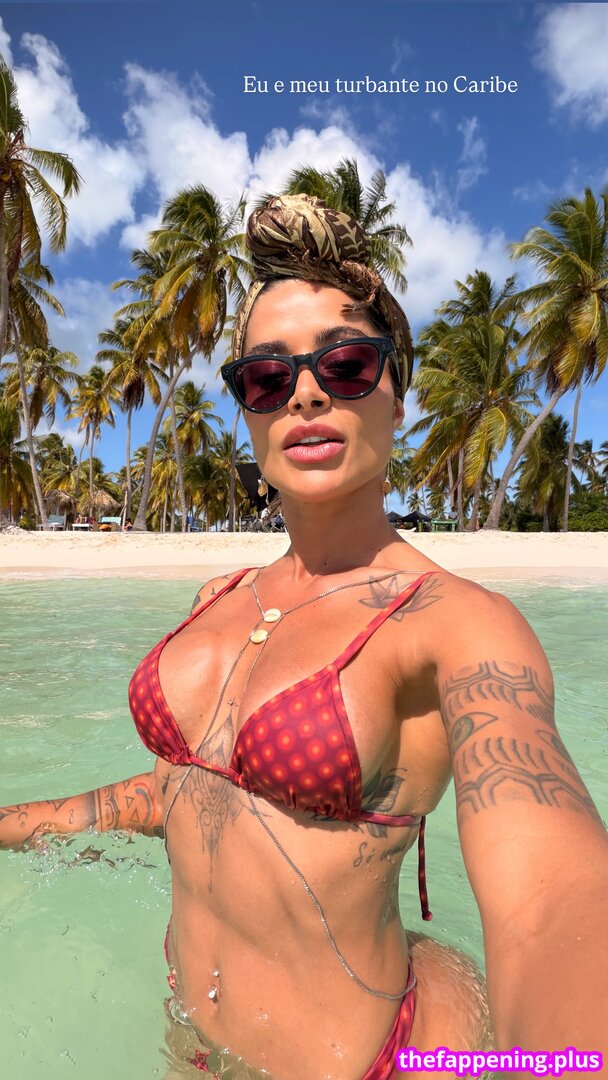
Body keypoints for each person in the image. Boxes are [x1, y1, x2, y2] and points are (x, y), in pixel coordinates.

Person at [1, 194, 606, 1080]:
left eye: (347, 364)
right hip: (193, 1038)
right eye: (267, 377)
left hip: (376, 1058)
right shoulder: (219, 598)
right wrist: (21, 822)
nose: (308, 392)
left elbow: (551, 900)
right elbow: (189, 793)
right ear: (249, 412)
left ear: (398, 396)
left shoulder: (457, 624)